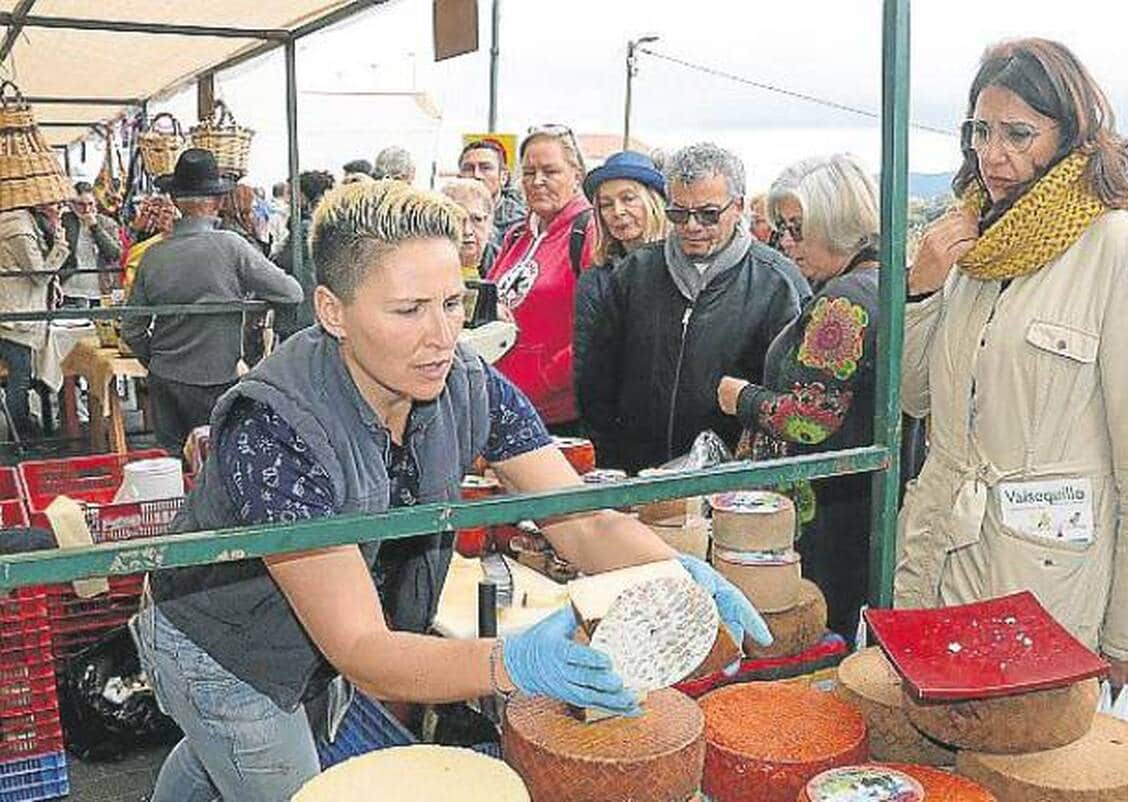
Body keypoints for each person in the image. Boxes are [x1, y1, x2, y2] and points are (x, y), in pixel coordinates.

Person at [133, 180, 770, 801]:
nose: (441, 337)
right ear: (333, 312)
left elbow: (581, 521)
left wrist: (678, 571)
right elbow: (361, 648)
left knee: (218, 756)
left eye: (452, 303)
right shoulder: (275, 428)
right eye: (409, 311)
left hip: (308, 646)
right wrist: (511, 663)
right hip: (223, 648)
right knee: (263, 757)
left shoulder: (467, 381)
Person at [896, 39, 1128, 715]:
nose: (991, 155)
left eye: (1018, 134)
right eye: (980, 130)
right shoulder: (972, 242)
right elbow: (915, 397)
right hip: (937, 564)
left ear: (1070, 135)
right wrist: (920, 288)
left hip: (1046, 591)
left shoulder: (1120, 249)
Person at [718, 155, 880, 638]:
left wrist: (741, 397)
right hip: (849, 506)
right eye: (781, 229)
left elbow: (809, 418)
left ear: (836, 222)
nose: (786, 243)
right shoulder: (878, 282)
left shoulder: (844, 300)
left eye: (797, 229)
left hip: (828, 514)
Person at [574, 142, 809, 474]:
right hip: (636, 476)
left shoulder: (779, 283)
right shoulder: (635, 272)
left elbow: (792, 401)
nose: (692, 226)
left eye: (708, 214)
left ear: (737, 207)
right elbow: (596, 381)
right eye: (679, 214)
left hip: (732, 486)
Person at [120, 149, 304, 457]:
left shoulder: (152, 256)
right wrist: (251, 297)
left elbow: (132, 329)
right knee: (219, 462)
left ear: (176, 202)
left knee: (173, 467)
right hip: (216, 376)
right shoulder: (231, 246)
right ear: (217, 202)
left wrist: (154, 360)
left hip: (164, 376)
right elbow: (292, 292)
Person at [485, 125, 596, 433]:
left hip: (558, 416)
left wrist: (545, 378)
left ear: (576, 174)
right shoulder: (517, 235)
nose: (538, 181)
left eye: (550, 171)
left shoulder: (589, 232)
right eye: (529, 172)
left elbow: (598, 331)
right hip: (504, 403)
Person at [573, 150, 668, 455]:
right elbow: (587, 371)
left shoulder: (683, 270)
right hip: (618, 439)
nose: (617, 211)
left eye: (628, 198)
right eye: (606, 204)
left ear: (653, 201)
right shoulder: (596, 279)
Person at [0, 201, 68, 438]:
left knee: (22, 374)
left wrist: (54, 283)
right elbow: (39, 275)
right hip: (16, 318)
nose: (59, 207)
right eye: (55, 203)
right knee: (20, 377)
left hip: (16, 314)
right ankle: (19, 434)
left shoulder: (21, 223)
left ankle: (22, 427)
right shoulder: (19, 229)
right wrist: (59, 240)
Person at [273, 170, 336, 339]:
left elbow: (286, 260)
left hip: (299, 310)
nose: (288, 200)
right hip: (314, 305)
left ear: (302, 196)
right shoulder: (324, 224)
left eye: (291, 194)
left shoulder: (303, 228)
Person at [59, 181, 122, 305]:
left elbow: (115, 254)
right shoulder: (64, 221)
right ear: (71, 204)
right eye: (81, 204)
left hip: (99, 290)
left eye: (90, 204)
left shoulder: (107, 223)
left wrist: (95, 227)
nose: (86, 209)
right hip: (68, 289)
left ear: (96, 203)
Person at [459, 138, 526, 249]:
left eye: (486, 168)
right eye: (468, 168)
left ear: (503, 177)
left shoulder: (520, 224)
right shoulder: (446, 217)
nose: (476, 175)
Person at [439, 177, 496, 280]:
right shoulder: (426, 268)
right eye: (458, 219)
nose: (467, 231)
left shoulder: (506, 266)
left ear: (489, 224)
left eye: (477, 219)